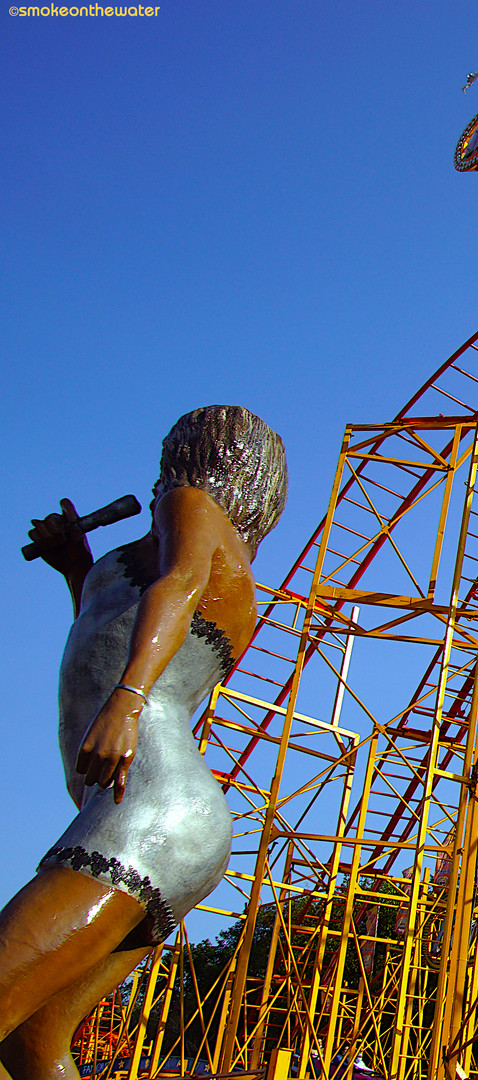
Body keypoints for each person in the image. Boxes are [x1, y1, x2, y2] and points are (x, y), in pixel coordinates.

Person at [0, 406, 287, 1080]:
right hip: (165, 820)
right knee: (34, 1047)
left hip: (148, 806)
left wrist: (128, 699)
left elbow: (177, 586)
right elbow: (106, 631)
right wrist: (79, 568)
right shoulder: (194, 546)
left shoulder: (191, 509)